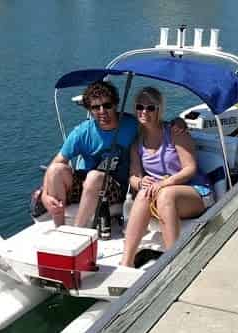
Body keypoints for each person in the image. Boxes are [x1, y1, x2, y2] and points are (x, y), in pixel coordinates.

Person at [121, 87, 214, 267]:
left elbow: (190, 168)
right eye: (140, 107)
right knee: (142, 194)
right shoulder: (137, 143)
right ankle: (127, 261)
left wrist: (165, 183)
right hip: (162, 196)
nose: (144, 112)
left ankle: (174, 261)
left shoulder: (174, 132)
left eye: (150, 108)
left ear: (159, 109)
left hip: (196, 193)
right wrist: (140, 182)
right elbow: (133, 176)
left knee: (165, 195)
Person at [40, 81, 138, 227]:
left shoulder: (131, 125)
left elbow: (158, 128)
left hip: (115, 188)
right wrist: (44, 196)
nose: (102, 111)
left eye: (107, 105)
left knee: (93, 177)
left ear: (116, 104)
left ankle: (78, 232)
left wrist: (178, 125)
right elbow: (57, 162)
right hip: (85, 184)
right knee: (55, 170)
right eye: (95, 107)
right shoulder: (82, 132)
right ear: (89, 110)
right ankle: (59, 228)